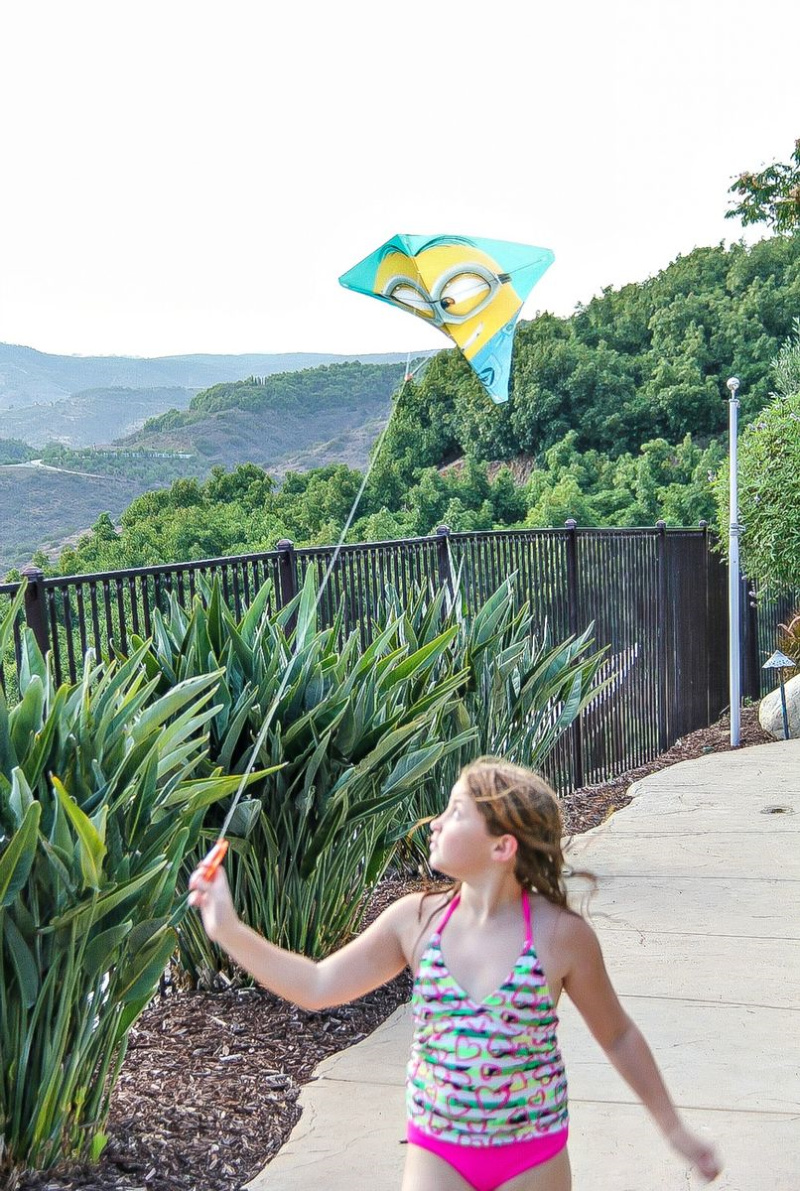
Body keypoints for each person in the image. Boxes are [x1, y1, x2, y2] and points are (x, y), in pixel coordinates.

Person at [189, 757, 722, 1190]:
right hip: (438, 1155)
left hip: (532, 1158)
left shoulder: (561, 937)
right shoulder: (415, 921)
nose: (435, 822)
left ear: (501, 847)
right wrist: (229, 929)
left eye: (456, 811)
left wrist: (673, 1129)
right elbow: (318, 986)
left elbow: (619, 1034)